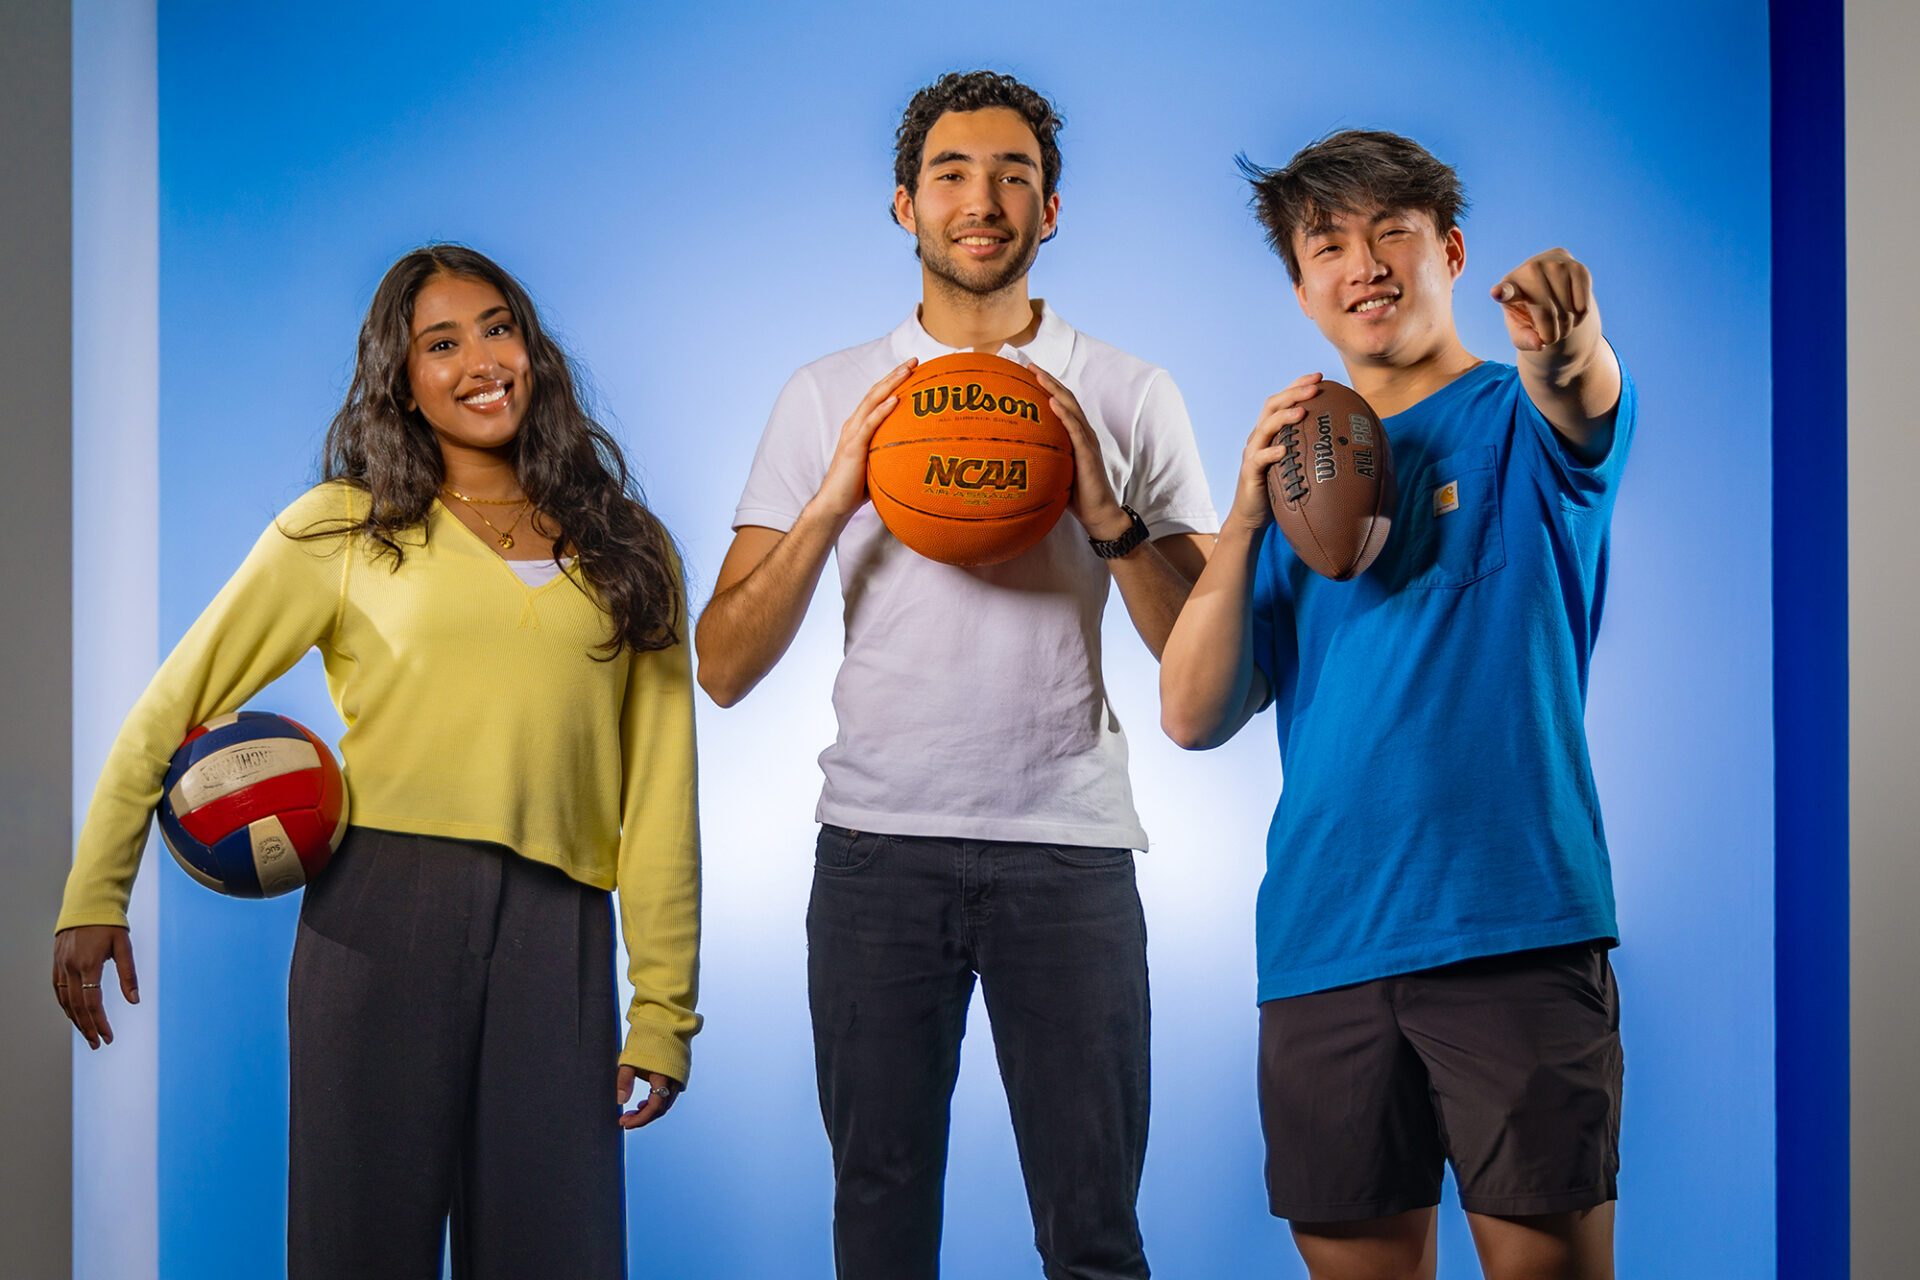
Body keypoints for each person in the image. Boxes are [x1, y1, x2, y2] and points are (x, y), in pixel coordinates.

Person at [50, 244, 700, 1280]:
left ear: (532, 349)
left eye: (497, 328)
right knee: (357, 1250)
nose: (480, 361)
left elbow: (663, 795)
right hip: (381, 915)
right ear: (401, 381)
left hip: (560, 933)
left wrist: (663, 1009)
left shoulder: (631, 546)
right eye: (440, 344)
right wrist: (96, 893)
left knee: (560, 1254)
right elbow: (167, 712)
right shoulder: (342, 529)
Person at [696, 70, 1217, 1280]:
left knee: (1095, 1234)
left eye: (1013, 176)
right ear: (905, 205)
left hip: (1070, 849)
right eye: (951, 174)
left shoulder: (1131, 390)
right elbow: (721, 664)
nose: (981, 201)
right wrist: (833, 500)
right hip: (877, 849)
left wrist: (1110, 519)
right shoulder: (827, 392)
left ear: (1050, 211)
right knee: (878, 1230)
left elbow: (1206, 662)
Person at [1159, 130, 1632, 1280]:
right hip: (1323, 941)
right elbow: (1191, 713)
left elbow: (1582, 394)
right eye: (1328, 244)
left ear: (1449, 251)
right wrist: (1244, 518)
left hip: (1510, 927)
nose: (1363, 264)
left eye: (1393, 233)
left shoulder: (1517, 420)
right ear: (1301, 286)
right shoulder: (1295, 483)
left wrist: (1569, 339)